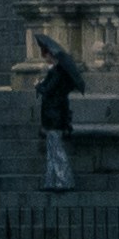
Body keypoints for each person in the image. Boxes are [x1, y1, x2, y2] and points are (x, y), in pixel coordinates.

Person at [32, 32, 80, 195]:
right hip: (54, 116)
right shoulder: (57, 72)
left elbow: (48, 91)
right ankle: (52, 180)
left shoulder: (57, 73)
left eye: (46, 55)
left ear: (50, 55)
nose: (45, 58)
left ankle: (63, 180)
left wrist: (38, 86)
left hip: (55, 116)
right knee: (52, 149)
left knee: (57, 150)